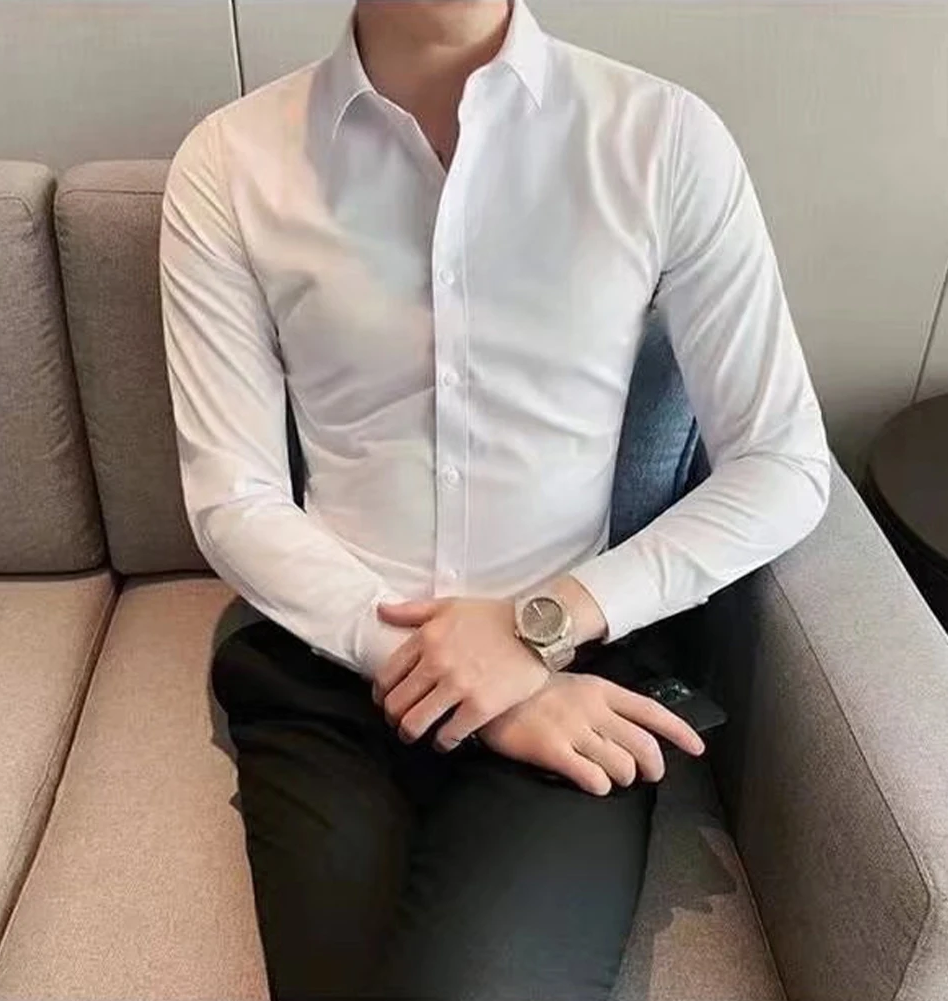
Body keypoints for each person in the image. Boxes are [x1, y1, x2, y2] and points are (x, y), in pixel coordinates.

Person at [158, 1, 831, 997]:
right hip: (331, 668)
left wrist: (536, 627)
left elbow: (782, 462)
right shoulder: (228, 161)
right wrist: (463, 673)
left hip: (572, 664)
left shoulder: (660, 138)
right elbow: (233, 494)